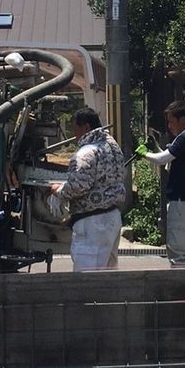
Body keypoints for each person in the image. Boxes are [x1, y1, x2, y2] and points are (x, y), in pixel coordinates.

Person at [50, 107, 126, 271]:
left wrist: (58, 191)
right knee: (109, 274)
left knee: (88, 275)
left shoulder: (86, 152)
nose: (74, 134)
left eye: (75, 128)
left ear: (85, 127)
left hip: (93, 223)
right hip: (113, 217)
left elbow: (78, 186)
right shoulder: (113, 147)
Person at [143, 101, 185, 266]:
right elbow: (168, 156)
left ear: (182, 120)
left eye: (171, 121)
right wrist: (154, 149)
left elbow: (162, 159)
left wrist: (144, 154)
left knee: (178, 251)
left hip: (181, 201)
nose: (169, 126)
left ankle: (179, 279)